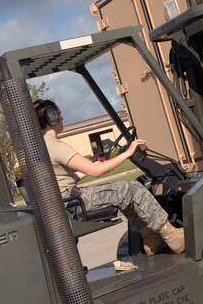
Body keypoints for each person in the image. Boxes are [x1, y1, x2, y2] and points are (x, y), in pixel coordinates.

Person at [33, 99, 184, 255]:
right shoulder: (55, 146)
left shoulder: (41, 145)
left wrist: (94, 166)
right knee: (133, 188)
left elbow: (67, 178)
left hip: (65, 202)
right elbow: (96, 172)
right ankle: (171, 234)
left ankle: (151, 239)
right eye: (59, 113)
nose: (62, 117)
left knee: (124, 194)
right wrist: (127, 153)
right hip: (74, 204)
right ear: (52, 118)